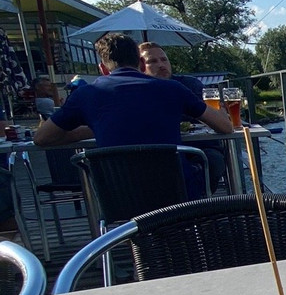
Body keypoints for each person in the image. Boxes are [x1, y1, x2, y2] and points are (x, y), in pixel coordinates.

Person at [34, 32, 233, 196]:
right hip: (176, 192)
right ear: (141, 63)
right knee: (208, 163)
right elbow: (225, 127)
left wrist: (93, 129)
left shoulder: (86, 94)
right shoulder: (173, 89)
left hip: (119, 197)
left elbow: (41, 138)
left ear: (103, 68)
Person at [138, 41, 227, 191]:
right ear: (141, 66)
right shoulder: (138, 91)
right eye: (152, 61)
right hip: (160, 152)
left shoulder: (189, 84)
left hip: (200, 146)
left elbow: (215, 119)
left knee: (213, 160)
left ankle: (202, 200)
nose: (161, 65)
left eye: (164, 59)